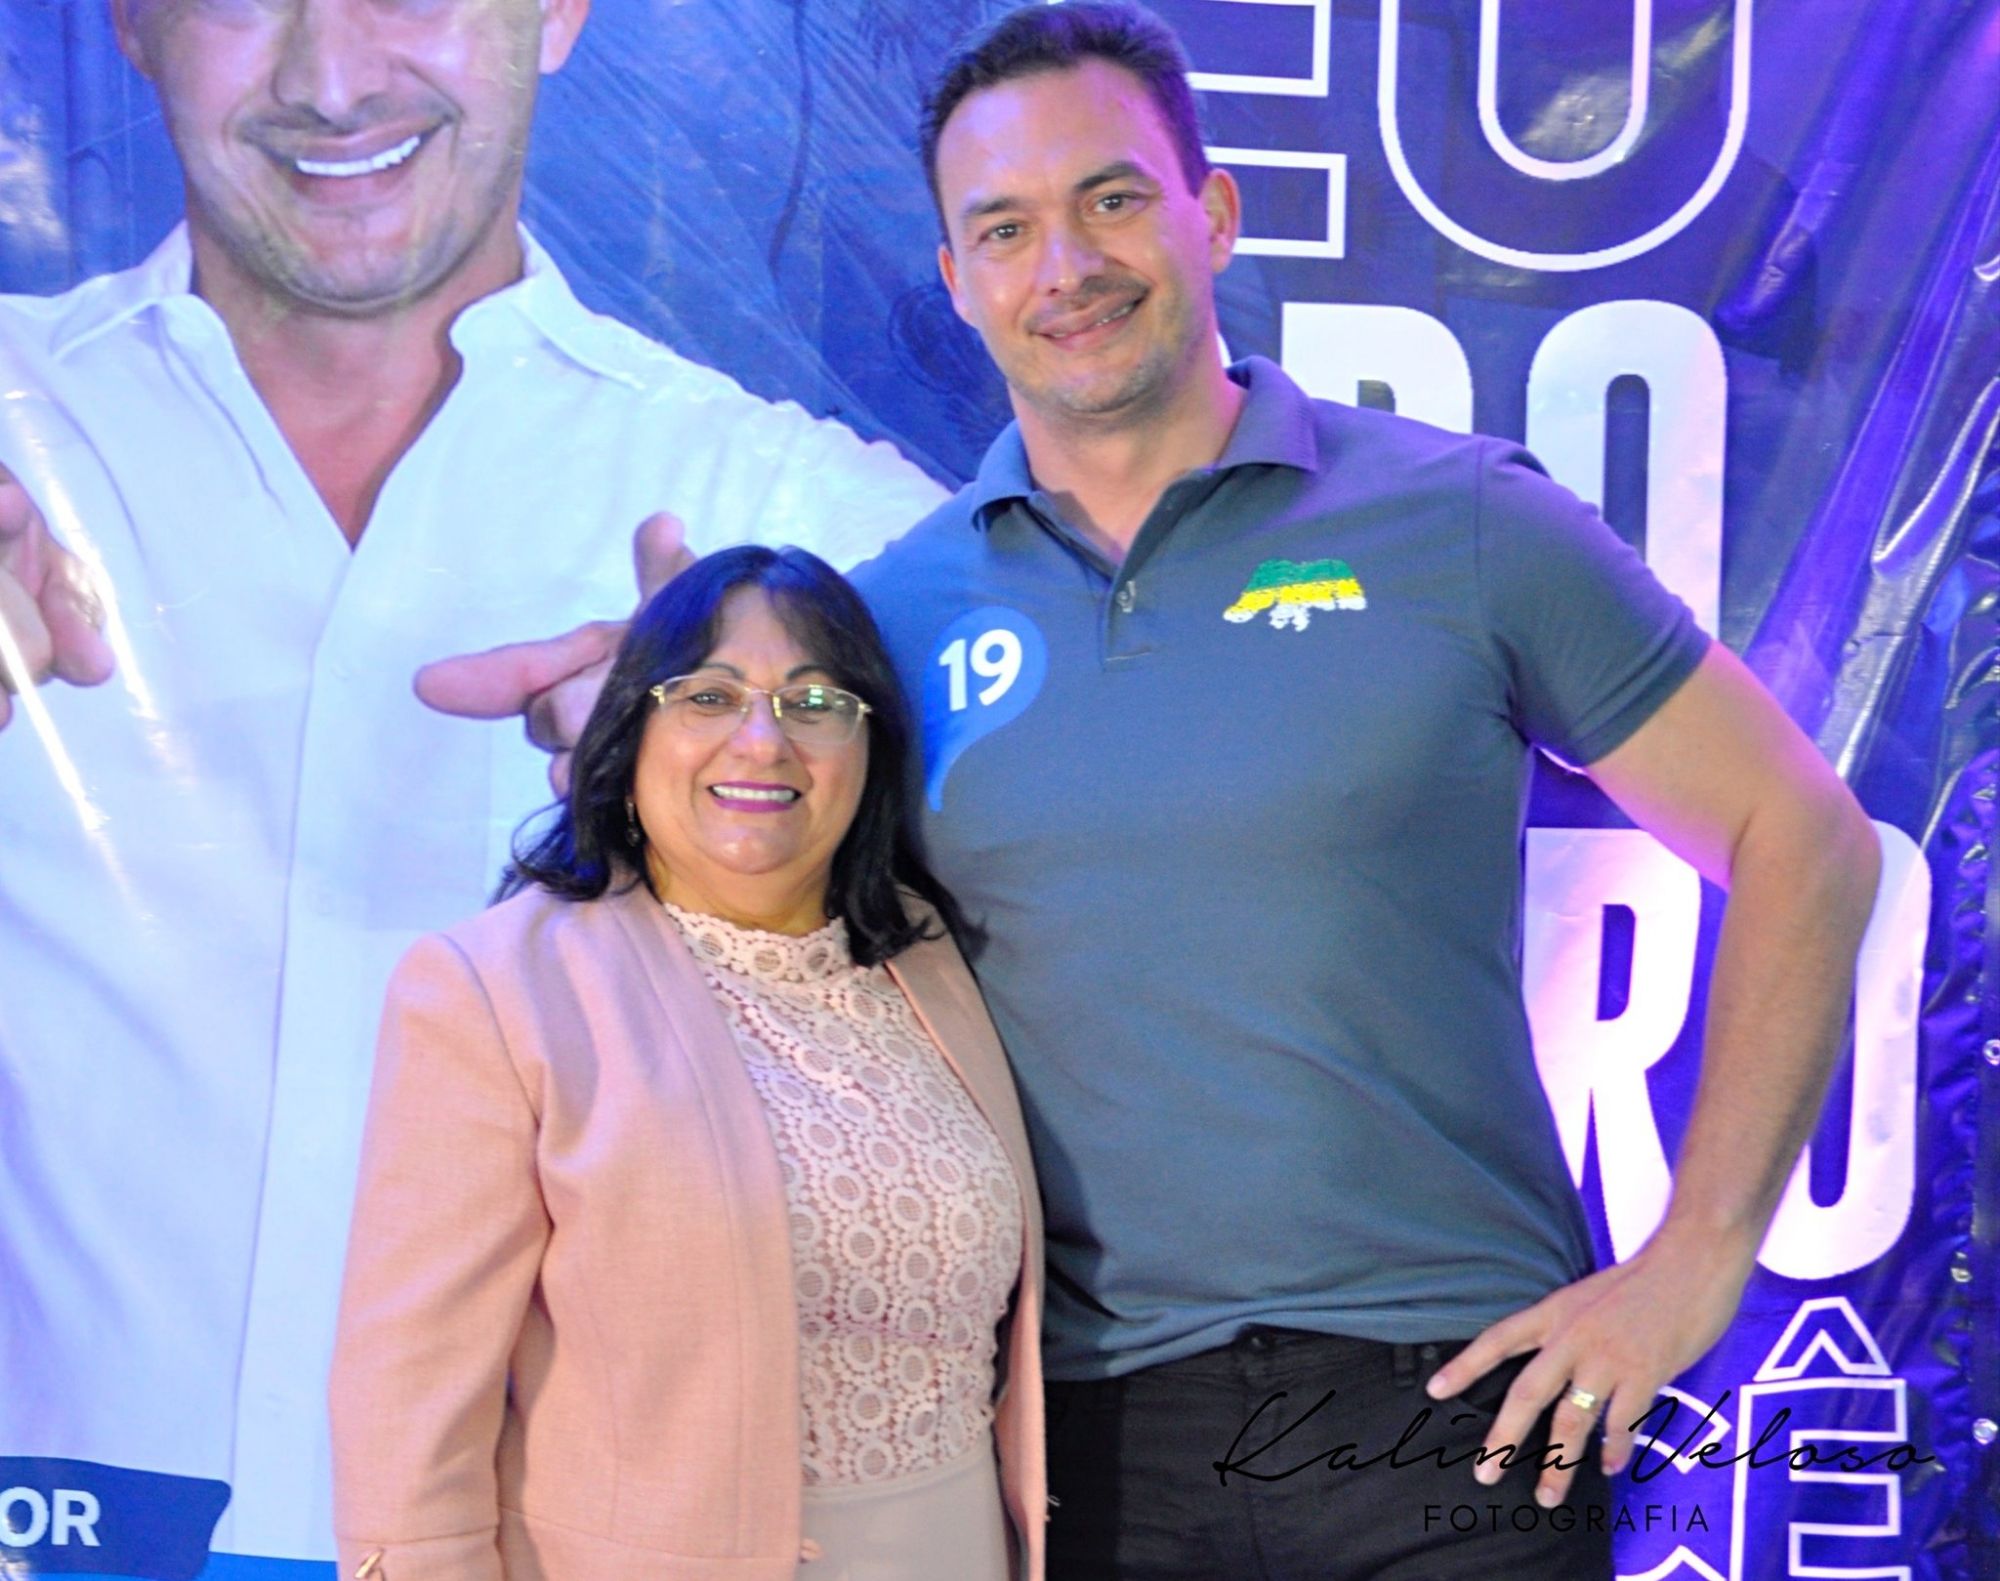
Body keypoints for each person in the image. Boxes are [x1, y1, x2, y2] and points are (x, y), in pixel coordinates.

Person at [847, 5, 1883, 1577]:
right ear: (955, 276)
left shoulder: (1459, 519)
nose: (1065, 265)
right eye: (1005, 228)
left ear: (1214, 213)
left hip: (1454, 1405)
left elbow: (1801, 832)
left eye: (1113, 197)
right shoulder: (886, 620)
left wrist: (1699, 1256)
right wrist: (653, 723)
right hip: (1086, 1442)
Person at [0, 0, 943, 1563]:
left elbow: (1159, 887)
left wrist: (769, 806)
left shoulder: (799, 519)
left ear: (558, 13)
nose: (330, 78)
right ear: (131, 24)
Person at [327, 545, 1043, 1581]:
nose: (763, 740)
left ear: (870, 745)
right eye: (708, 695)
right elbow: (409, 1394)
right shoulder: (497, 990)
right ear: (631, 730)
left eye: (815, 702)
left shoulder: (929, 960)